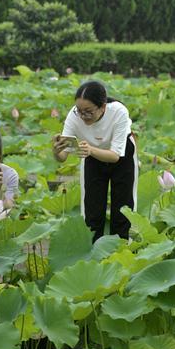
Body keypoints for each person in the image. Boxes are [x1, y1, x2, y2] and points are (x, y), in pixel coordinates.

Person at [52, 80, 138, 241]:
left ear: (103, 107)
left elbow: (114, 156)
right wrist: (56, 151)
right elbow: (63, 156)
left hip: (122, 155)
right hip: (91, 155)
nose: (83, 116)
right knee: (92, 209)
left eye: (89, 111)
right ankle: (93, 252)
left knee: (123, 208)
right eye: (80, 111)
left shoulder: (119, 112)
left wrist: (91, 149)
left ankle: (122, 250)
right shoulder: (74, 116)